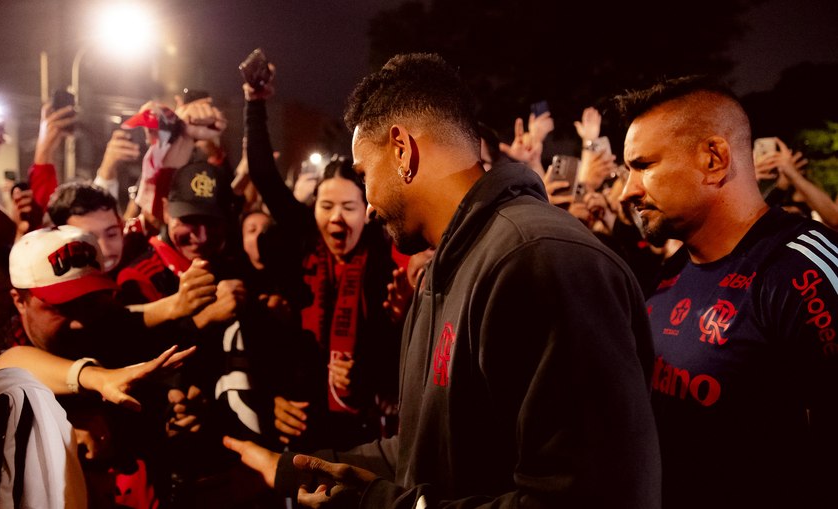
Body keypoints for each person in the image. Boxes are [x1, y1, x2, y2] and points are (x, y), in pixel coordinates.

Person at [225, 52, 660, 509]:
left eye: (363, 174)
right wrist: (298, 468)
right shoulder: (448, 266)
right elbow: (426, 453)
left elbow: (587, 498)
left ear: (401, 151)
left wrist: (376, 504)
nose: (368, 205)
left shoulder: (540, 260)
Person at [614, 75, 838, 508]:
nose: (629, 190)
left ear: (714, 158)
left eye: (643, 166)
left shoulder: (800, 269)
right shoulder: (673, 269)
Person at [243, 66, 403, 453]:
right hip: (301, 419)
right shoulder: (300, 242)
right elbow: (264, 176)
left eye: (348, 206)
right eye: (326, 205)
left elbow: (393, 353)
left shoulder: (384, 261)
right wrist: (254, 104)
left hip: (362, 428)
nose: (335, 217)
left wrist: (366, 375)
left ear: (366, 210)